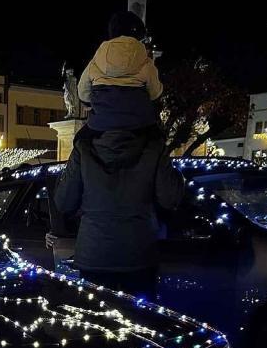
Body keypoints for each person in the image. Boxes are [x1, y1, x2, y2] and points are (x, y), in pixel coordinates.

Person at [48, 126, 183, 300]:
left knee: (101, 320)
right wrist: (178, 177)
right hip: (139, 254)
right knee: (139, 321)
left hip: (95, 255)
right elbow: (170, 199)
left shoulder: (85, 146)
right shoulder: (154, 145)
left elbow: (64, 202)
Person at [77, 11, 162, 136]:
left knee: (80, 142)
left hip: (101, 124)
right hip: (138, 124)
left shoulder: (96, 60)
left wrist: (94, 101)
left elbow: (82, 93)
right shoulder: (146, 61)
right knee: (157, 142)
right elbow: (155, 93)